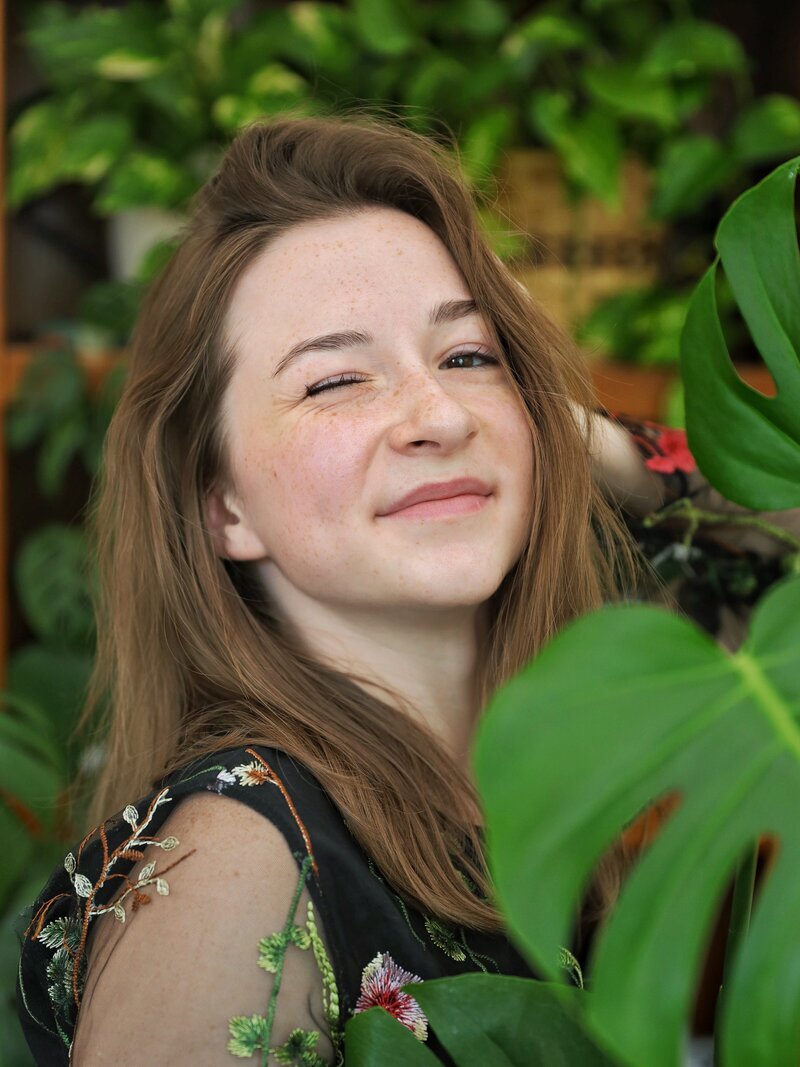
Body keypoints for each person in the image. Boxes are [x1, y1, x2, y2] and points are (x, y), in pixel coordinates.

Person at [13, 111, 798, 1067]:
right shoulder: (237, 864)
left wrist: (541, 430)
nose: (436, 414)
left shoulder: (524, 789)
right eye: (336, 380)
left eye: (469, 357)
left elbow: (774, 548)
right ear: (221, 506)